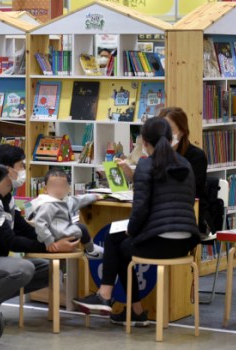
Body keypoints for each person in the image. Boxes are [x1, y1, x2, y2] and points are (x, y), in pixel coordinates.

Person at [73, 117, 200, 327]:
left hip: (160, 241)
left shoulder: (147, 164)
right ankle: (136, 312)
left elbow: (140, 209)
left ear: (143, 141)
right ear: (171, 139)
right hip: (185, 242)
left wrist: (131, 231)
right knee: (122, 246)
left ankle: (104, 295)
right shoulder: (185, 163)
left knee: (114, 238)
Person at [0, 145, 80, 310]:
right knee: (24, 268)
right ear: (7, 170)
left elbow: (25, 230)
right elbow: (11, 242)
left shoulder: (8, 197)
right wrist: (51, 247)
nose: (24, 170)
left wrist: (54, 238)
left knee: (48, 269)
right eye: (21, 166)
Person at [118, 107, 214, 236]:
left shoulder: (194, 157)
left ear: (182, 131)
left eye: (169, 129)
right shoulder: (155, 156)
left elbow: (185, 190)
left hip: (191, 216)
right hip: (160, 215)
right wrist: (131, 174)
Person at [28, 168, 103, 259]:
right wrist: (49, 240)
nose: (58, 189)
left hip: (61, 233)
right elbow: (40, 223)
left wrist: (93, 197)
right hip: (53, 238)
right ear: (46, 189)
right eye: (54, 186)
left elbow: (78, 200)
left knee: (79, 227)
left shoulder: (65, 201)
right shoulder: (48, 205)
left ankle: (90, 249)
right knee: (81, 227)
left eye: (62, 186)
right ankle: (91, 250)